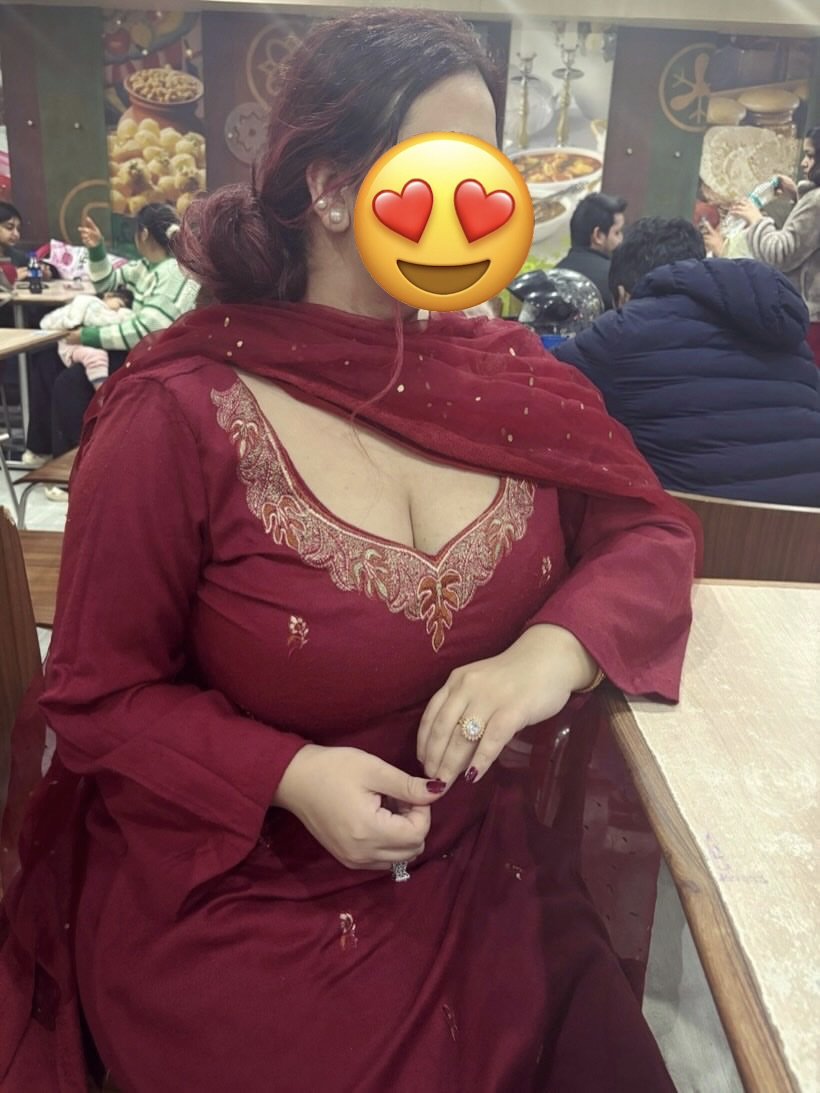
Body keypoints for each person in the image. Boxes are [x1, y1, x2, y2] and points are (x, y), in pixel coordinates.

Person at [0, 13, 698, 1092]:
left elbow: (647, 531)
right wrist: (291, 774)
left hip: (484, 872)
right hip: (246, 887)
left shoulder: (513, 380)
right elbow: (97, 693)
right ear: (330, 187)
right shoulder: (180, 411)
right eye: (441, 170)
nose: (475, 206)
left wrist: (549, 652)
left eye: (489, 175)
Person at [555, 217, 820, 506]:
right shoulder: (785, 332)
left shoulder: (622, 330)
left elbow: (538, 381)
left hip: (692, 526)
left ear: (622, 294)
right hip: (807, 526)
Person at [23, 202, 199, 466]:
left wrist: (87, 336)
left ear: (143, 234)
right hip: (135, 347)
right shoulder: (145, 266)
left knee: (70, 384)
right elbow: (106, 281)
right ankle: (42, 451)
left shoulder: (174, 271)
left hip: (154, 356)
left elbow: (147, 331)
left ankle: (80, 466)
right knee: (46, 359)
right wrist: (96, 249)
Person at [728, 125, 820, 365]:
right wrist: (798, 195)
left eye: (810, 156)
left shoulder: (817, 201)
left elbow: (781, 253)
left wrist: (756, 220)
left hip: (809, 321)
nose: (804, 163)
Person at [39, 288, 135, 387]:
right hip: (71, 344)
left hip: (82, 342)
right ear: (108, 296)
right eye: (120, 305)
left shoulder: (108, 311)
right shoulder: (90, 303)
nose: (119, 310)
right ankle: (101, 390)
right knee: (96, 356)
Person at [554, 192, 627, 309]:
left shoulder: (553, 275)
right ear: (598, 235)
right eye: (617, 232)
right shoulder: (616, 280)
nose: (621, 239)